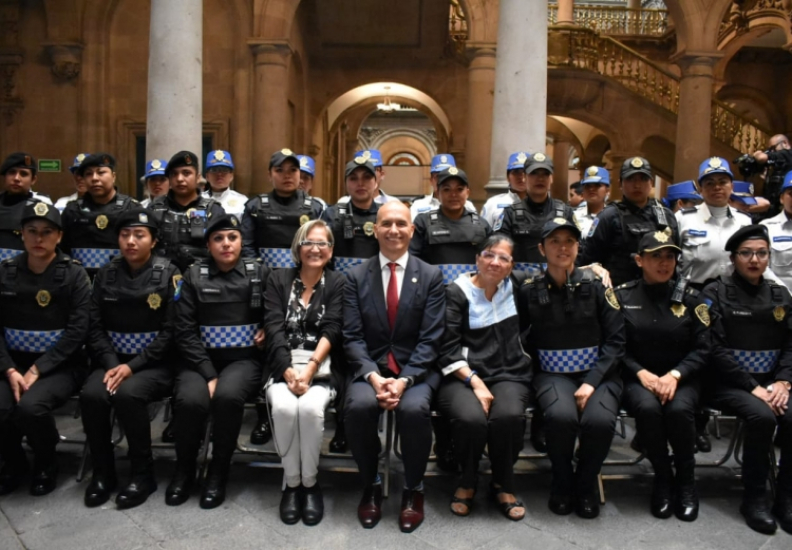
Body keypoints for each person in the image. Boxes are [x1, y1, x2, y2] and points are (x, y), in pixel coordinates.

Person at [344, 201, 445, 533]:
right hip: (369, 368)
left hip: (414, 370)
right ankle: (371, 482)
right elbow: (352, 336)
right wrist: (373, 377)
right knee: (358, 406)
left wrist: (403, 381)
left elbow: (431, 339)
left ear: (412, 230)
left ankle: (413, 488)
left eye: (401, 223)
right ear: (375, 230)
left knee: (414, 411)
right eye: (386, 223)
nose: (394, 230)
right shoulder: (355, 276)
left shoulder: (430, 276)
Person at [519, 218, 625, 519]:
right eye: (554, 241)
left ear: (579, 247)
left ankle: (586, 482)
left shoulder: (598, 285)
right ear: (542, 249)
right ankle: (562, 481)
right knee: (561, 417)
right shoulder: (528, 289)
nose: (562, 247)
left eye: (570, 241)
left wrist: (591, 382)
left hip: (599, 374)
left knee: (600, 421)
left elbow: (616, 342)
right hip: (552, 374)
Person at [79, 207, 180, 509]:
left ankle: (142, 474)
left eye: (139, 235)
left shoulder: (170, 274)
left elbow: (172, 332)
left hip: (155, 364)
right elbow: (94, 327)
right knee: (92, 395)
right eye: (125, 235)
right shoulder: (105, 274)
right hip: (113, 361)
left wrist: (131, 367)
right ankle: (103, 473)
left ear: (154, 240)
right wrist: (113, 364)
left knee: (128, 395)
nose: (131, 241)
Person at [167, 214, 269, 509]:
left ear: (241, 241)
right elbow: (183, 331)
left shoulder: (260, 272)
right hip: (199, 361)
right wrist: (209, 373)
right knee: (188, 401)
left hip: (244, 361)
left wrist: (266, 328)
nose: (226, 244)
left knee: (227, 397)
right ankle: (184, 469)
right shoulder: (192, 276)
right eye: (218, 239)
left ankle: (218, 470)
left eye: (232, 238)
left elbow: (274, 314)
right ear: (208, 244)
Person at [701, 224, 792, 535]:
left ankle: (786, 497)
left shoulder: (780, 294)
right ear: (733, 257)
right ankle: (754, 498)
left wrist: (783, 382)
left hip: (772, 383)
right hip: (728, 384)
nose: (754, 259)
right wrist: (753, 387)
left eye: (761, 253)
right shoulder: (715, 292)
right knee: (762, 417)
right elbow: (714, 349)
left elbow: (791, 345)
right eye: (746, 253)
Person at [616, 230, 708, 521]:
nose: (664, 263)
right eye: (656, 256)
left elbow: (704, 349)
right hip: (637, 376)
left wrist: (676, 375)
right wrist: (640, 373)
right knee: (647, 408)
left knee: (680, 410)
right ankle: (663, 477)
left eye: (670, 256)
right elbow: (615, 345)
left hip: (682, 377)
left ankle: (686, 480)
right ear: (639, 260)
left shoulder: (692, 298)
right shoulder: (622, 296)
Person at [437, 235, 531, 520]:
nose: (495, 262)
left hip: (509, 373)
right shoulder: (456, 291)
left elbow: (559, 268)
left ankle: (503, 482)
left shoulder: (518, 285)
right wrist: (475, 382)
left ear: (512, 265)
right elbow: (447, 348)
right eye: (489, 255)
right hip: (461, 374)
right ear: (477, 258)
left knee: (509, 417)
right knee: (471, 420)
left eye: (504, 258)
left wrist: (596, 268)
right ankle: (467, 480)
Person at [0, 201, 90, 496]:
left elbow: (78, 332)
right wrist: (10, 369)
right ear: (21, 234)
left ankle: (46, 461)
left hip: (61, 365)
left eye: (47, 232)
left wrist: (39, 368)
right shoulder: (5, 272)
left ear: (59, 236)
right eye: (32, 231)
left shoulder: (74, 274)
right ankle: (13, 463)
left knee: (30, 407)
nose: (39, 239)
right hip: (13, 363)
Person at [264, 220, 344, 526]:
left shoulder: (338, 282)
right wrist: (286, 369)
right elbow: (272, 327)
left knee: (310, 410)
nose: (315, 249)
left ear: (331, 250)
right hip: (280, 363)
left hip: (321, 365)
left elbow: (333, 327)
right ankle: (292, 483)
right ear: (298, 247)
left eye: (322, 243)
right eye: (309, 242)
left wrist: (309, 370)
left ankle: (310, 484)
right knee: (284, 408)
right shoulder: (278, 279)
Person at [579, 156, 679, 287]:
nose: (637, 185)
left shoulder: (666, 215)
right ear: (620, 184)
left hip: (659, 291)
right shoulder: (608, 216)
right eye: (631, 179)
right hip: (618, 293)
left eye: (643, 179)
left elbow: (675, 258)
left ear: (651, 183)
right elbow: (590, 260)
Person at [495, 153, 577, 277]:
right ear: (524, 177)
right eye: (534, 173)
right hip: (520, 281)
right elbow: (499, 248)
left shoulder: (565, 212)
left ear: (551, 179)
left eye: (545, 174)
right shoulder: (510, 213)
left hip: (558, 279)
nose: (540, 179)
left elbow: (579, 248)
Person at [241, 149, 324, 268]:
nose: (287, 175)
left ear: (299, 174)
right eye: (279, 170)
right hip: (263, 277)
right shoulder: (255, 206)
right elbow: (246, 245)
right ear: (269, 175)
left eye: (293, 170)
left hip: (304, 276)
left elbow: (322, 246)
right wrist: (260, 272)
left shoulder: (316, 208)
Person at [410, 167, 491, 285]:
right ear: (437, 193)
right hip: (433, 292)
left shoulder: (482, 225)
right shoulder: (423, 222)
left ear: (467, 193)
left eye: (459, 189)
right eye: (447, 189)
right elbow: (413, 260)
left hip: (472, 293)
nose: (453, 194)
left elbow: (492, 260)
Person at [149, 151, 225, 273]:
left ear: (198, 177)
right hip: (160, 278)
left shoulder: (213, 210)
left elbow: (222, 249)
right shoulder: (155, 208)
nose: (179, 179)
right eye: (174, 174)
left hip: (201, 278)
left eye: (186, 173)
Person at [61, 153, 136, 277]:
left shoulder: (132, 208)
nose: (94, 178)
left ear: (113, 176)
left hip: (121, 279)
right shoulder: (72, 210)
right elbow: (61, 249)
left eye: (101, 172)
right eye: (88, 174)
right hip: (79, 280)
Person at [0, 153, 53, 263]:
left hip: (25, 273)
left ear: (33, 180)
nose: (16, 178)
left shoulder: (40, 207)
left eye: (23, 174)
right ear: (4, 177)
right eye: (12, 172)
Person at [410, 154, 474, 220]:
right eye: (438, 176)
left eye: (447, 177)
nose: (442, 181)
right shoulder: (418, 205)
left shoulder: (468, 206)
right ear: (431, 180)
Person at [480, 152, 531, 228]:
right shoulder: (493, 203)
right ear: (508, 177)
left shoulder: (541, 204)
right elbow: (483, 232)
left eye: (525, 172)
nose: (521, 177)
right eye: (516, 172)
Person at [761, 171, 792, 289]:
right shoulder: (767, 227)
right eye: (791, 194)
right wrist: (785, 295)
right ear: (782, 198)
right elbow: (762, 268)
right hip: (778, 299)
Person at [202, 150, 247, 216]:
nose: (219, 174)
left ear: (231, 176)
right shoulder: (198, 200)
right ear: (207, 176)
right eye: (214, 170)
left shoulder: (242, 201)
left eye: (224, 170)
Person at [576, 166, 610, 240]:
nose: (591, 189)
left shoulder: (613, 217)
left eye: (597, 185)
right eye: (587, 186)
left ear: (607, 190)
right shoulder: (573, 216)